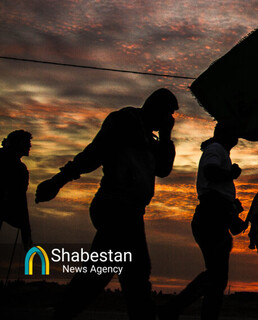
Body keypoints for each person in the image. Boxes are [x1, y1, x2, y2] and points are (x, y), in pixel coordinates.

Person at [35, 88, 179, 320]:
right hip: (115, 206)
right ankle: (65, 312)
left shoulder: (151, 139)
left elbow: (163, 170)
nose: (171, 120)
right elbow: (95, 153)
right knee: (128, 271)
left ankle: (65, 311)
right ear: (157, 109)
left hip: (130, 210)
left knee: (120, 271)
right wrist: (58, 180)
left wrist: (165, 137)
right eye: (169, 114)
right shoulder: (125, 121)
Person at [158, 122, 246, 320]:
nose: (237, 136)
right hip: (211, 218)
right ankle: (172, 309)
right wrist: (230, 174)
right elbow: (210, 173)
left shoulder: (218, 150)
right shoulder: (216, 150)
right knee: (216, 276)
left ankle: (177, 310)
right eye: (234, 131)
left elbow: (216, 189)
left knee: (217, 278)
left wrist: (233, 214)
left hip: (214, 217)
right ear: (225, 134)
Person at [0, 130, 34, 251]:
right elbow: (20, 201)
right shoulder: (18, 169)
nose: (30, 146)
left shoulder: (19, 167)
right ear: (18, 144)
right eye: (27, 143)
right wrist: (26, 232)